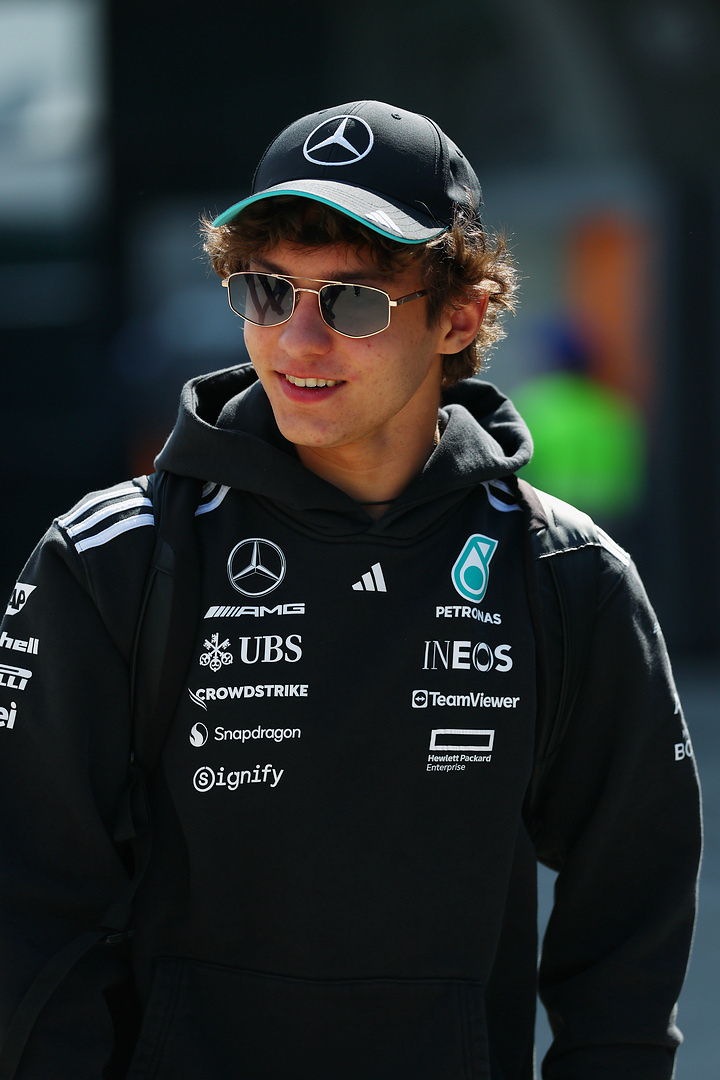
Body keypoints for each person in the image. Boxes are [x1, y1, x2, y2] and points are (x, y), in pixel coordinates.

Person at [0, 100, 702, 1079]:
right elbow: (30, 913)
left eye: (353, 302)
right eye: (265, 291)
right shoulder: (109, 560)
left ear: (459, 317)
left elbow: (632, 901)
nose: (297, 341)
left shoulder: (565, 573)